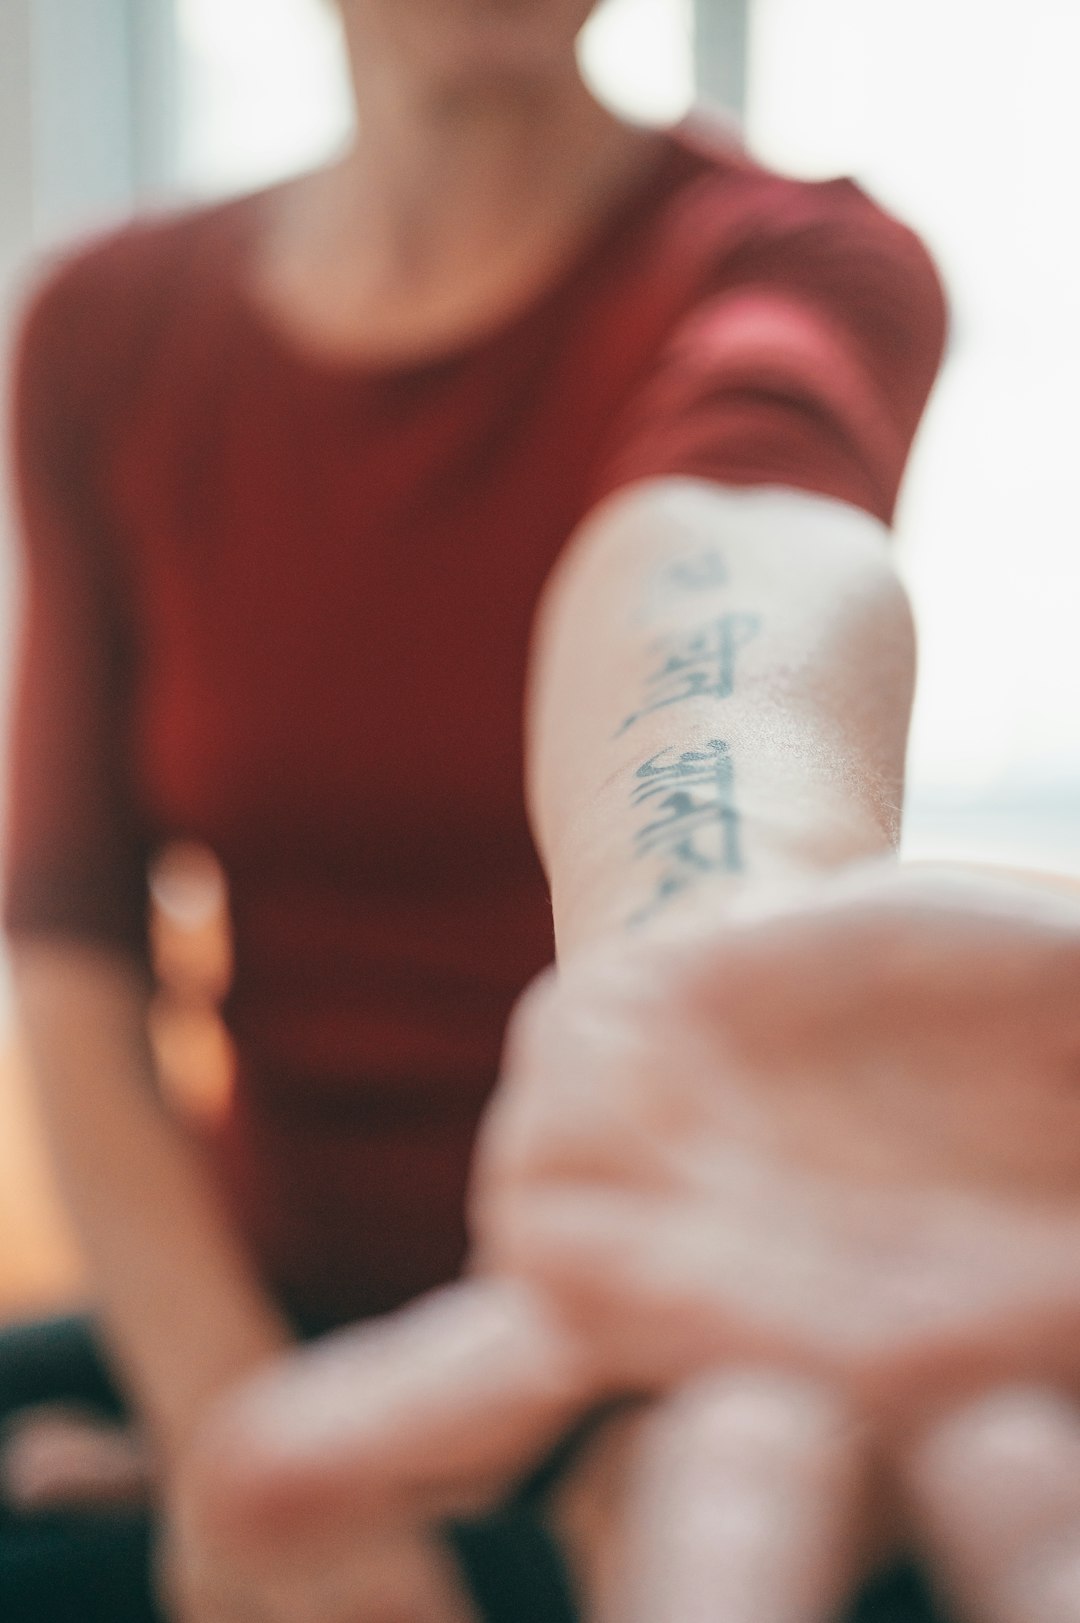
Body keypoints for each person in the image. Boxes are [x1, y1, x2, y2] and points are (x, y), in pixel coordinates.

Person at [11, 0, 1064, 1616]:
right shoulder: (107, 327)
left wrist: (709, 966)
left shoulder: (794, 257)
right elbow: (72, 943)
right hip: (268, 1302)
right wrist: (225, 1421)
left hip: (688, 1314)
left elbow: (726, 540)